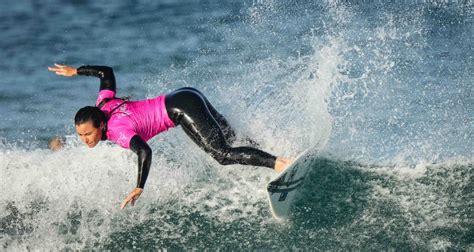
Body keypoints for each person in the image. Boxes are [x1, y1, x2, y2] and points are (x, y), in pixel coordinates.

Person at [48, 64, 292, 209]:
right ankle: (273, 153)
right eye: (80, 135)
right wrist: (75, 71)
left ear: (100, 125)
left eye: (88, 133)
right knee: (230, 137)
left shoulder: (118, 132)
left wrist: (138, 186)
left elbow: (144, 151)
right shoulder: (103, 102)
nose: (86, 139)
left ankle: (280, 163)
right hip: (185, 94)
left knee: (222, 154)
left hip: (180, 109)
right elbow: (106, 72)